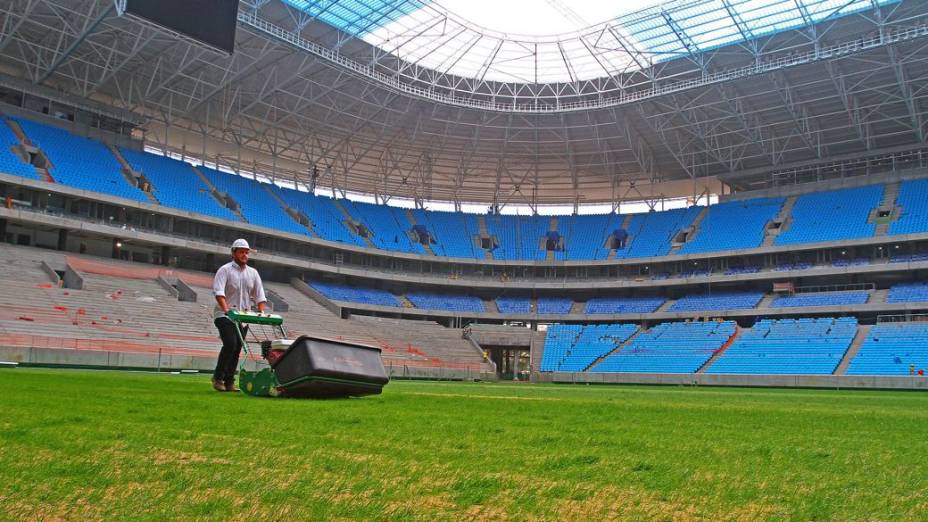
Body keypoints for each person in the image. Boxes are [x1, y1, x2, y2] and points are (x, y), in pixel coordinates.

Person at [211, 239, 266, 392]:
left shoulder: (253, 273)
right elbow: (219, 292)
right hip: (225, 314)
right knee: (230, 344)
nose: (244, 255)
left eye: (246, 252)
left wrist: (261, 311)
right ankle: (218, 378)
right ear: (233, 253)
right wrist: (226, 309)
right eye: (241, 252)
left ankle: (229, 382)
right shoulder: (225, 270)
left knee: (237, 349)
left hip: (243, 317)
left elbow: (260, 295)